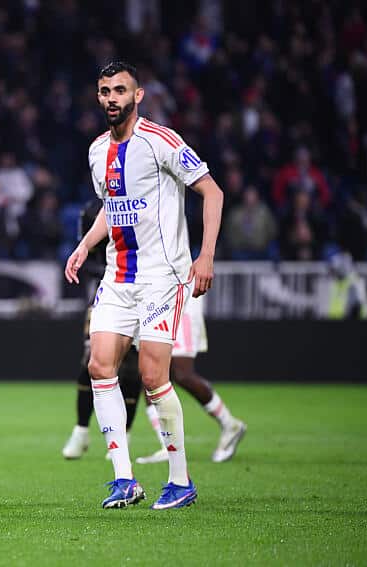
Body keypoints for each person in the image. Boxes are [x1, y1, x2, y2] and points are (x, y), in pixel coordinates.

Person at [65, 61, 223, 510]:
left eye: (119, 90)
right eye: (104, 91)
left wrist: (205, 254)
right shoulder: (97, 151)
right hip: (117, 277)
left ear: (138, 96)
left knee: (154, 376)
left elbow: (212, 192)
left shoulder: (161, 141)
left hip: (161, 277)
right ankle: (125, 479)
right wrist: (83, 247)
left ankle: (180, 481)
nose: (111, 98)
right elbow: (109, 208)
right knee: (100, 367)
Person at [62, 199, 142, 459]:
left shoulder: (142, 201)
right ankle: (81, 430)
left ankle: (124, 435)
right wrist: (110, 270)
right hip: (107, 290)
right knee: (91, 362)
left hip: (141, 290)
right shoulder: (89, 210)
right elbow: (89, 257)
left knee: (132, 368)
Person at [134, 293, 247, 464]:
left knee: (182, 373)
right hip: (154, 298)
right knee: (150, 374)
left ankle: (230, 424)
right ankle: (167, 445)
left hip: (181, 298)